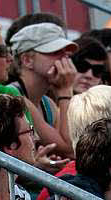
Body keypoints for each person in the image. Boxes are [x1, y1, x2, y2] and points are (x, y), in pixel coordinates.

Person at [7, 21, 77, 156]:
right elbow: (69, 147)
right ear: (27, 60)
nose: (64, 58)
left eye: (66, 53)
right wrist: (65, 91)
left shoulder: (47, 104)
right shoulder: (15, 97)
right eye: (55, 52)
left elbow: (72, 151)